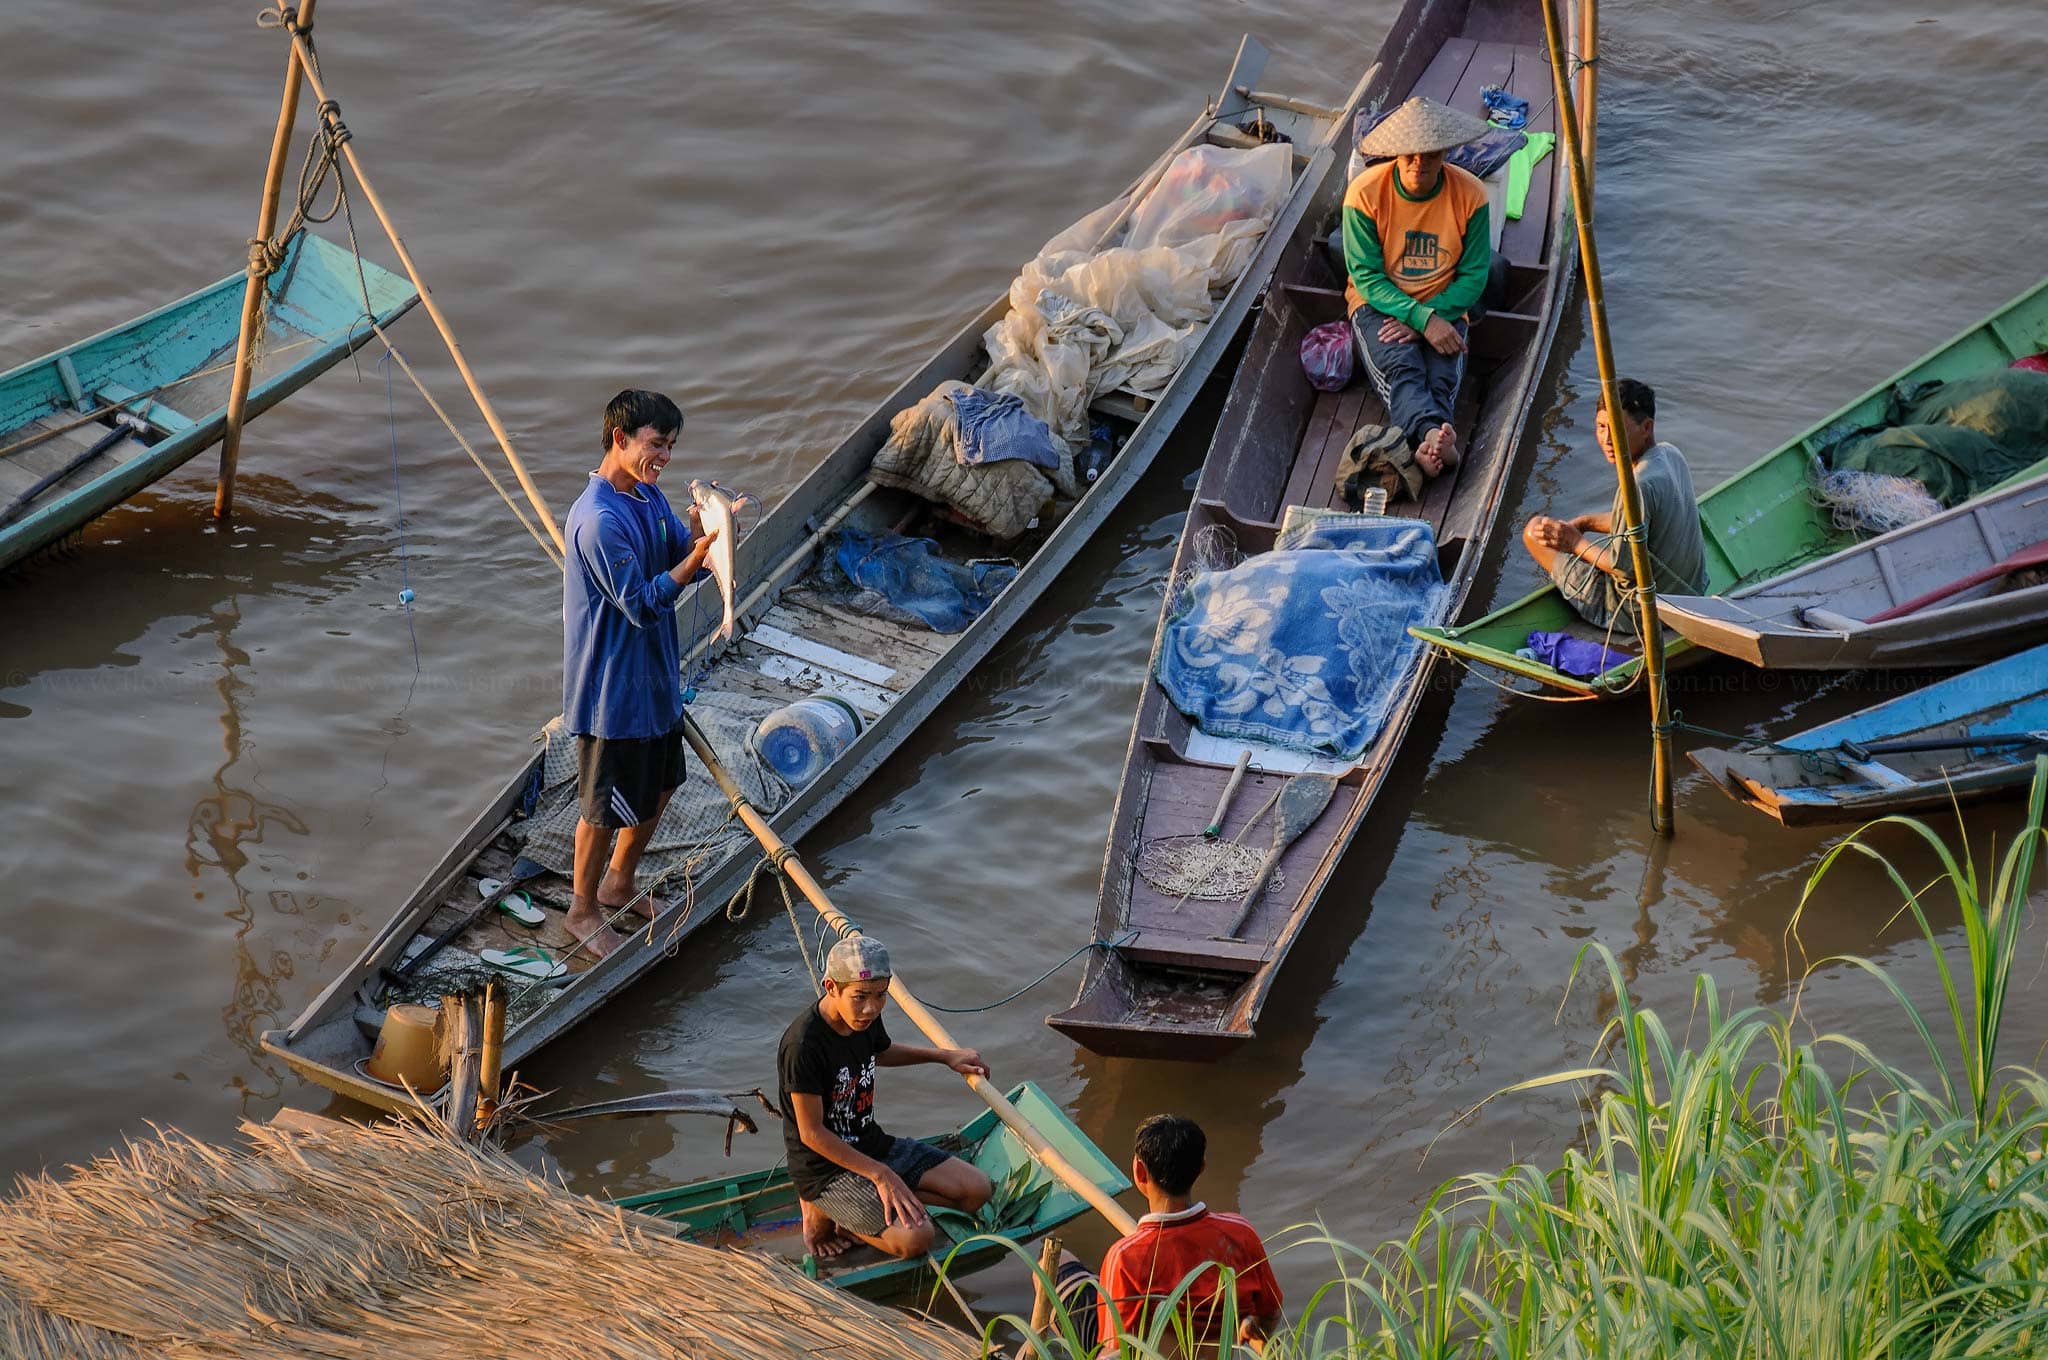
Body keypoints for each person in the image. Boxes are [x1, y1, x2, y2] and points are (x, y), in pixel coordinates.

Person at [562, 388, 720, 957]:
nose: (666, 458)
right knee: (603, 807)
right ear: (620, 439)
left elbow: (685, 559)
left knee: (661, 786)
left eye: (672, 446)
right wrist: (692, 561)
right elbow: (642, 603)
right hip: (612, 689)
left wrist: (710, 542)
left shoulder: (649, 498)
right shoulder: (597, 521)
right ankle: (580, 911)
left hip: (656, 678)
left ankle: (619, 883)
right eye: (657, 445)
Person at [777, 935, 994, 1261]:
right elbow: (811, 1134)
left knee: (977, 1190)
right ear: (831, 987)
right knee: (917, 1239)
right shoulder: (803, 1045)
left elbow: (882, 1051)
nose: (871, 1008)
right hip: (826, 1169)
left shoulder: (864, 1017)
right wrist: (881, 1174)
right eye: (860, 996)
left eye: (881, 996)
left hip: (871, 1144)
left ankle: (868, 1215)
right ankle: (826, 1210)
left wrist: (944, 1057)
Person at [1342, 95, 1497, 493]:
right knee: (1403, 367)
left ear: (1444, 152)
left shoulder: (1471, 195)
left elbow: (1474, 275)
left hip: (1446, 301)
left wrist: (1431, 317)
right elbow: (1366, 276)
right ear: (1396, 154)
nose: (1419, 164)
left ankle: (1428, 440)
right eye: (1409, 156)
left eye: (1429, 155)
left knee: (1442, 371)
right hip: (1381, 304)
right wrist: (1421, 320)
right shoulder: (1364, 194)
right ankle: (1434, 437)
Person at [1048, 1114, 1284, 1355]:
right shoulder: (1241, 1233)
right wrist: (1250, 1326)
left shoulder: (1125, 1257)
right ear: (1201, 1168)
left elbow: (1115, 1352)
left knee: (1059, 1265)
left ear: (1139, 1171)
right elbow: (1271, 1313)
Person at [1521, 377, 1708, 631]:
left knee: (1533, 532)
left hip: (1640, 613)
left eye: (1617, 428)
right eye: (1601, 427)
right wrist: (1585, 523)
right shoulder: (1670, 454)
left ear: (1646, 428)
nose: (1607, 439)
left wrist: (1574, 542)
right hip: (1690, 595)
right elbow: (1640, 522)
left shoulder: (1637, 485)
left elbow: (1623, 569)